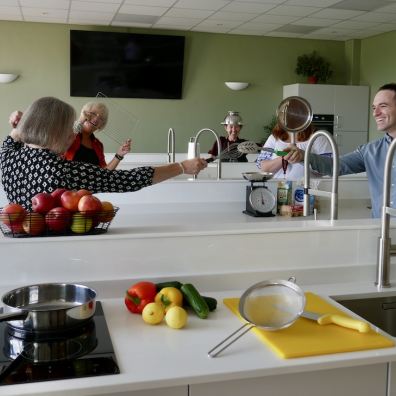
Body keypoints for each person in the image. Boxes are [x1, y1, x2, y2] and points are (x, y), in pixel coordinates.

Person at [1, 97, 207, 210]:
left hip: (22, 244)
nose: (71, 134)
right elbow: (127, 179)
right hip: (58, 247)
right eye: (67, 128)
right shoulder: (61, 169)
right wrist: (182, 167)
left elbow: (14, 137)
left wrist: (22, 122)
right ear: (54, 131)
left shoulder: (7, 156)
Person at [285, 82, 396, 218]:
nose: (376, 113)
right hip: (383, 228)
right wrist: (303, 156)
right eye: (374, 108)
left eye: (383, 106)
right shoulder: (370, 150)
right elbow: (336, 165)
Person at [63, 102, 131, 170]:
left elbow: (104, 173)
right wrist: (81, 120)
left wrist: (119, 155)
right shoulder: (67, 132)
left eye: (101, 118)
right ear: (84, 114)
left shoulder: (98, 145)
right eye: (93, 114)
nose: (96, 119)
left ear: (101, 125)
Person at [256, 122, 332, 180]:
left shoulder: (318, 138)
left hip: (310, 192)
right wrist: (284, 158)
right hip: (279, 190)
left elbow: (329, 167)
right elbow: (263, 168)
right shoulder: (274, 138)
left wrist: (303, 157)